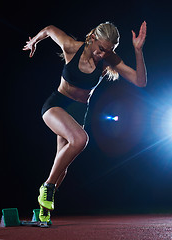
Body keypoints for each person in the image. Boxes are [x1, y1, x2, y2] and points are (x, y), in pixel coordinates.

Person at [22, 21, 147, 223]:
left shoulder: (109, 58)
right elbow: (50, 29)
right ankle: (47, 188)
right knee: (80, 140)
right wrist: (34, 41)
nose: (103, 55)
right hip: (57, 105)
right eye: (101, 49)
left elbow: (140, 81)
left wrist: (138, 51)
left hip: (78, 112)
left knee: (61, 165)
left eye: (109, 51)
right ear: (92, 39)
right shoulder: (71, 46)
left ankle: (43, 212)